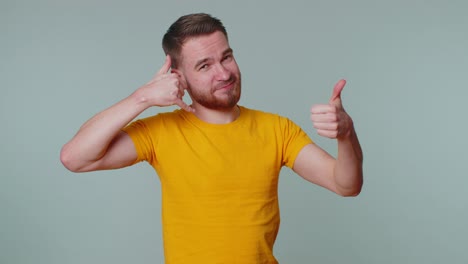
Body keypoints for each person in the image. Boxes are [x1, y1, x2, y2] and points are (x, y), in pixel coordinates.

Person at [60, 13, 363, 264]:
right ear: (179, 77)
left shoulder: (277, 129)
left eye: (226, 58)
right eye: (204, 66)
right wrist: (142, 98)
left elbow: (346, 184)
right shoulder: (161, 132)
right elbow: (75, 158)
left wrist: (346, 133)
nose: (224, 73)